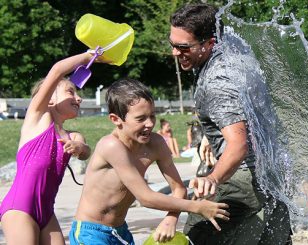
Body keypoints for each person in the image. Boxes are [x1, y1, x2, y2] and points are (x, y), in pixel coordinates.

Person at [170, 3, 292, 244]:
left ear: (209, 43)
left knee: (194, 238)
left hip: (241, 178)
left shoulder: (217, 82)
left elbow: (238, 145)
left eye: (183, 47)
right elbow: (244, 108)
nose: (175, 53)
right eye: (172, 43)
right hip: (274, 172)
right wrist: (211, 133)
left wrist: (213, 179)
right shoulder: (235, 48)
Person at [69, 78, 229, 245]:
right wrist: (197, 207)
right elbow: (145, 197)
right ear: (116, 119)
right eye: (140, 119)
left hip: (120, 231)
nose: (150, 123)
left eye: (152, 115)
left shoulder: (156, 144)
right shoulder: (111, 146)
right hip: (90, 232)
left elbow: (178, 188)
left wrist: (171, 218)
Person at [0, 53, 94, 244]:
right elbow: (57, 70)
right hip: (20, 208)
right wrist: (87, 56)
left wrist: (80, 147)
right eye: (71, 92)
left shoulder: (73, 136)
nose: (79, 98)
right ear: (49, 99)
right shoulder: (37, 119)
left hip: (47, 212)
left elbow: (86, 152)